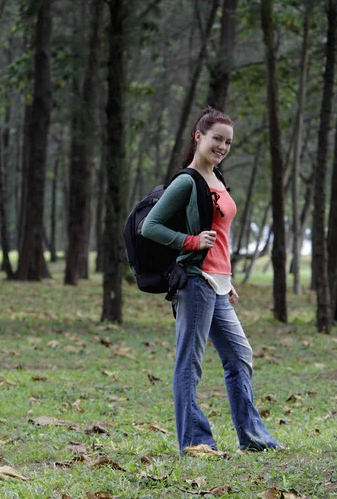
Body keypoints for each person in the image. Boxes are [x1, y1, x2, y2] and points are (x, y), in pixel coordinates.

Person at [141, 106, 279, 454]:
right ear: (199, 136)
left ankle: (254, 438)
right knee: (190, 363)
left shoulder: (218, 179)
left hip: (216, 283)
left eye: (228, 142)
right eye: (217, 138)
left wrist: (225, 276)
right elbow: (150, 226)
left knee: (239, 356)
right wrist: (189, 242)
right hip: (194, 282)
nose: (222, 146)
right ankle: (195, 441)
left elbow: (220, 234)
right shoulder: (188, 181)